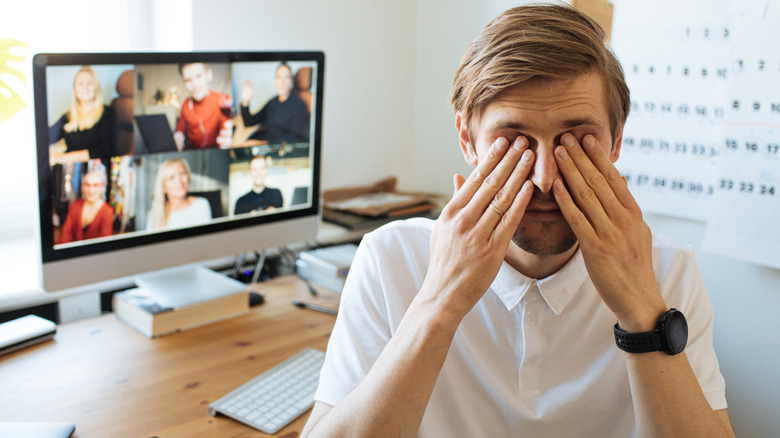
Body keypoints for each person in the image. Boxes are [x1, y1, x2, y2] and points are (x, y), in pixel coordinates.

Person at [302, 5, 734, 438]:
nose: (545, 177)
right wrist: (441, 300)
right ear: (467, 140)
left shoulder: (668, 270)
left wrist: (643, 311)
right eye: (512, 142)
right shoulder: (390, 258)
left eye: (577, 141)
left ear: (615, 142)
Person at [50, 66, 117, 164]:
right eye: (80, 84)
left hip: (95, 172)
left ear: (96, 87)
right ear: (75, 89)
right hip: (70, 170)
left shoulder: (108, 113)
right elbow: (48, 138)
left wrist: (63, 158)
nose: (85, 87)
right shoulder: (68, 116)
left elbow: (105, 150)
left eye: (89, 83)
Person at [240, 63, 310, 145]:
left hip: (279, 148)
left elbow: (295, 137)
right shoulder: (273, 102)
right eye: (279, 77)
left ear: (291, 80)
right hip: (266, 141)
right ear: (275, 81)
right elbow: (249, 122)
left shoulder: (299, 104)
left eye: (286, 77)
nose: (282, 82)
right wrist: (245, 102)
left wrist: (263, 144)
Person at [173, 63, 233, 150]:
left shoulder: (224, 101)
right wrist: (178, 136)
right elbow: (179, 130)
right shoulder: (186, 104)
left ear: (209, 74)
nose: (194, 85)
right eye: (188, 80)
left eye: (198, 76)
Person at [146, 158, 211, 230]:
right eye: (171, 177)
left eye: (182, 174)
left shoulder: (201, 205)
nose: (179, 181)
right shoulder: (153, 215)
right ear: (164, 187)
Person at [58, 161, 114, 244]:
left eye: (96, 185)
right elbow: (65, 235)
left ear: (102, 187)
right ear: (83, 186)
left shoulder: (107, 211)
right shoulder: (75, 205)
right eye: (87, 185)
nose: (91, 190)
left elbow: (104, 244)